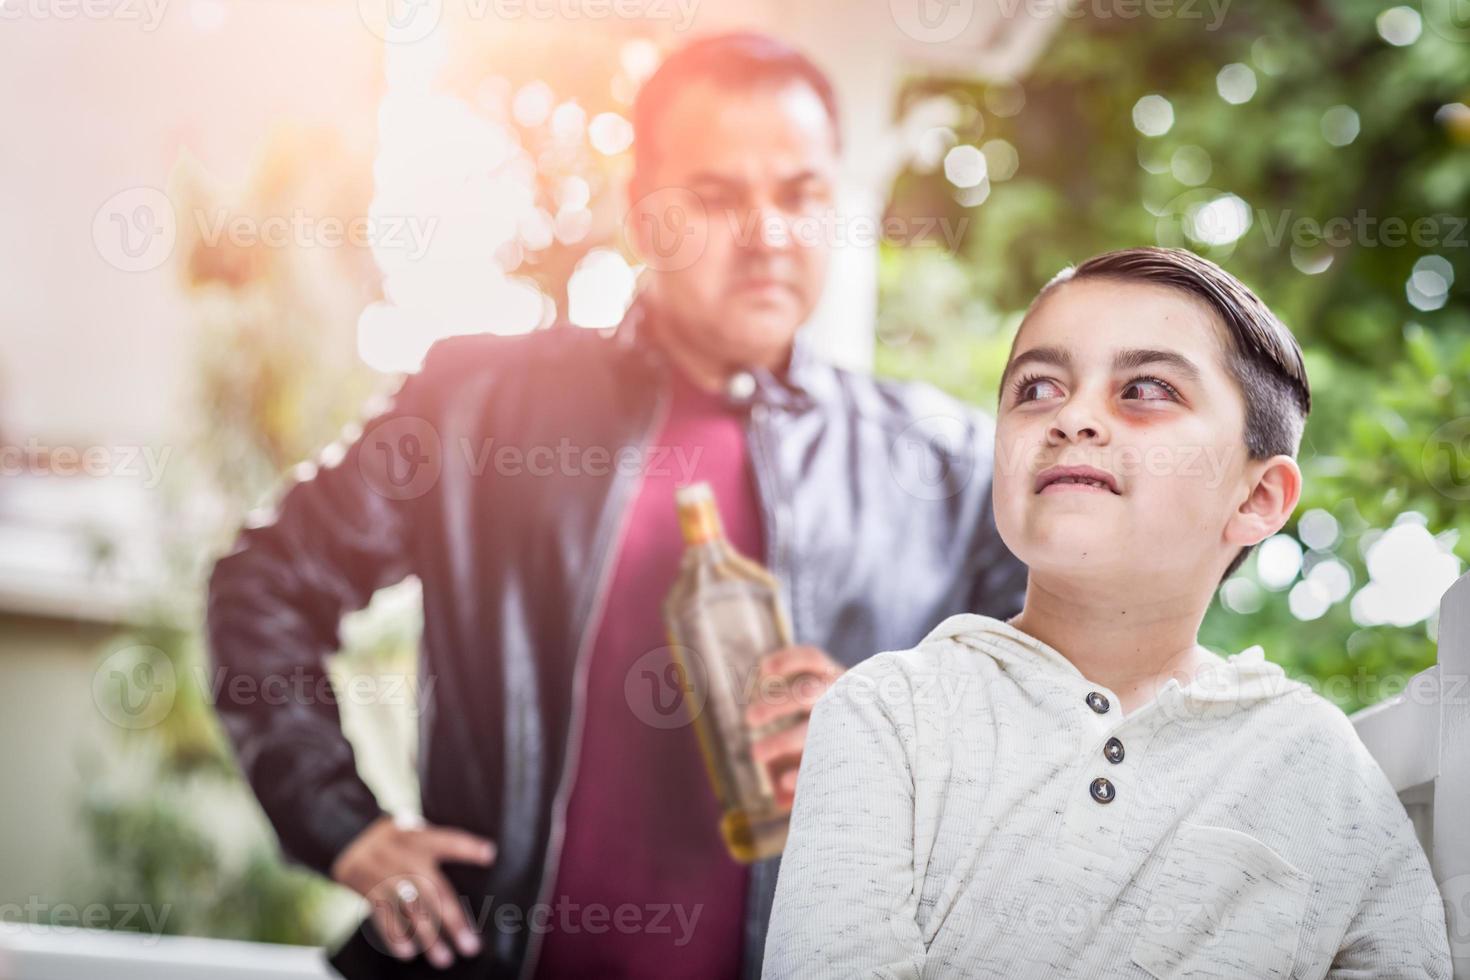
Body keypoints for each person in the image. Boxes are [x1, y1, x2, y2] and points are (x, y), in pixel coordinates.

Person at [205, 32, 1028, 980]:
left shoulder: (951, 468)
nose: (767, 234)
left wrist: (894, 736)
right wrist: (343, 826)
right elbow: (262, 586)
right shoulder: (477, 404)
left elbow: (1061, 726)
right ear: (644, 212)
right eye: (717, 197)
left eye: (800, 195)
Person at [762, 247, 1453, 979]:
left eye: (1147, 389)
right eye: (1036, 388)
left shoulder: (1319, 766)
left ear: (1257, 499)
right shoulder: (887, 713)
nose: (1073, 416)